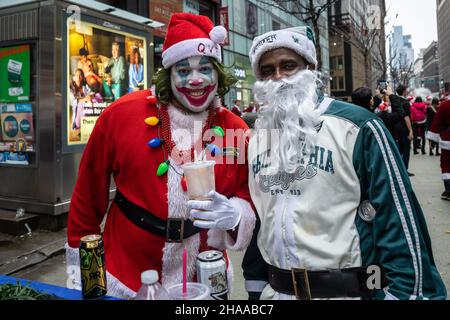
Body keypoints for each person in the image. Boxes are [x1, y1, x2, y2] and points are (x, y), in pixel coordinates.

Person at [242, 26, 446, 300]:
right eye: (267, 71)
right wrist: (255, 289)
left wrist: (407, 294)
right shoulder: (257, 139)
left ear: (310, 67)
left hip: (348, 292)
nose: (278, 77)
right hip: (277, 292)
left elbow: (397, 220)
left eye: (288, 66)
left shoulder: (358, 127)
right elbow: (263, 220)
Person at [66, 13, 256, 299]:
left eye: (205, 68)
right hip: (126, 275)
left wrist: (235, 215)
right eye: (183, 70)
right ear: (168, 74)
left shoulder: (235, 129)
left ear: (218, 74)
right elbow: (86, 200)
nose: (195, 80)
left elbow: (248, 195)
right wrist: (83, 276)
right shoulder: (121, 115)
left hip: (204, 278)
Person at [426, 99, 450, 201]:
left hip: (447, 140)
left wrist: (432, 140)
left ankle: (448, 190)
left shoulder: (445, 105)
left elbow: (437, 123)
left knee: (446, 165)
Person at [391, 85, 415, 176]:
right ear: (404, 91)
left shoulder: (394, 102)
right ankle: (404, 170)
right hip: (404, 128)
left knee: (399, 149)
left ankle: (397, 168)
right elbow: (406, 117)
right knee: (406, 150)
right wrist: (410, 131)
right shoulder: (405, 102)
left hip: (396, 128)